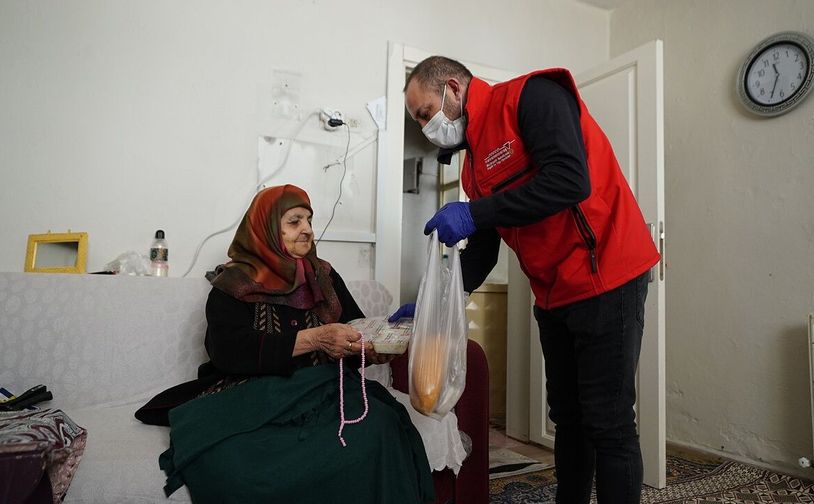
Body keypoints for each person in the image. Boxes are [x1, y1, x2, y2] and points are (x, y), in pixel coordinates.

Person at [397, 56, 660, 504]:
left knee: (608, 420)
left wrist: (474, 212)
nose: (426, 126)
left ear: (453, 90)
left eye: (426, 113)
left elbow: (570, 180)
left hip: (607, 273)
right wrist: (439, 298)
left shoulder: (531, 98)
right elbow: (483, 246)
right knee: (568, 417)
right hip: (554, 291)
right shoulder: (472, 167)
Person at [135, 184, 435, 504]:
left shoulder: (324, 278)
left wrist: (374, 347)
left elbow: (353, 330)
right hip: (253, 395)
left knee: (382, 426)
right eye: (294, 221)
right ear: (265, 227)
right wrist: (314, 338)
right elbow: (228, 350)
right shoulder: (233, 283)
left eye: (309, 220)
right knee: (232, 462)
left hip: (324, 392)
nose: (307, 229)